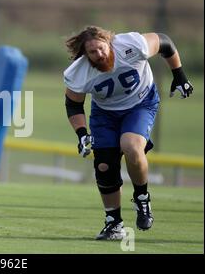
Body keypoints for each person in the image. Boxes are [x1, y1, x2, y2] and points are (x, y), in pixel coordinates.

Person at [63, 26, 193, 240]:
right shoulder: (79, 71)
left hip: (140, 104)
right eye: (92, 52)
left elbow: (165, 42)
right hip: (104, 113)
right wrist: (81, 133)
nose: (99, 54)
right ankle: (113, 223)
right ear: (85, 54)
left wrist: (179, 74)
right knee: (104, 165)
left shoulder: (132, 45)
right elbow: (73, 105)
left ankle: (142, 198)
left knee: (131, 146)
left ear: (109, 42)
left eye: (101, 48)